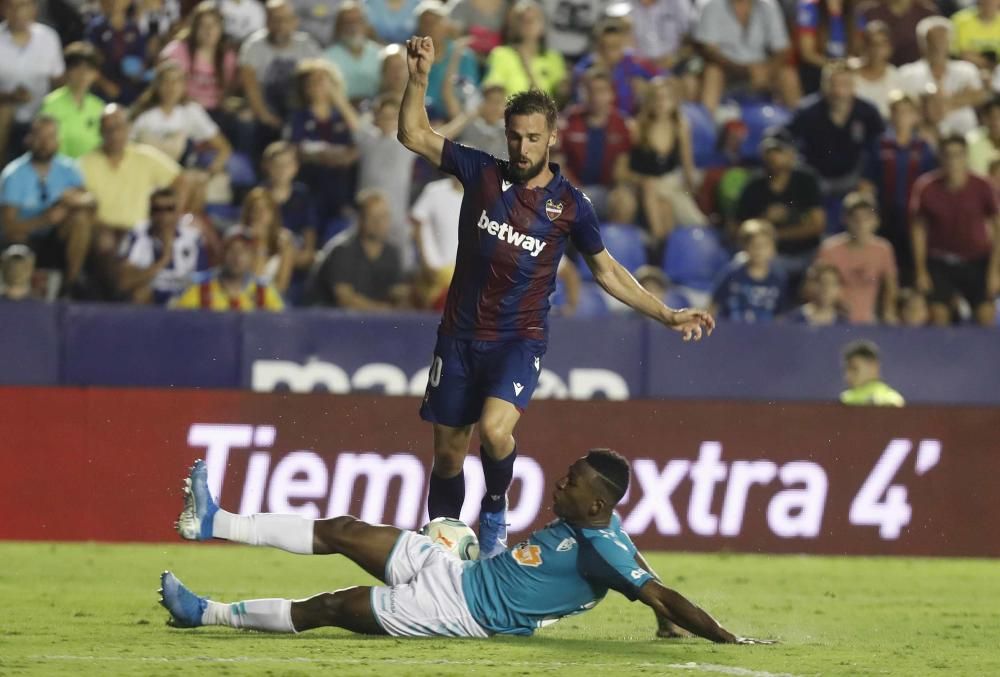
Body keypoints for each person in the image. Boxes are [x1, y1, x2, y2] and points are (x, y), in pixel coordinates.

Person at [397, 36, 715, 558]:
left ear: (551, 139)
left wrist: (666, 312)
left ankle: (495, 511)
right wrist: (417, 78)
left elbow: (607, 270)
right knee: (449, 453)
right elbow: (412, 132)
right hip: (458, 336)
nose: (522, 148)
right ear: (506, 135)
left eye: (533, 138)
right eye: (516, 137)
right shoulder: (480, 172)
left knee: (496, 433)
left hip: (517, 339)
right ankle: (441, 548)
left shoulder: (570, 206)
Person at [161, 453, 773, 644]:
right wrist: (665, 625)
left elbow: (656, 588)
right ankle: (216, 520)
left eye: (571, 483)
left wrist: (729, 640)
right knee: (344, 528)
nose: (558, 483)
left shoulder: (603, 550)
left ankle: (206, 613)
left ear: (596, 504)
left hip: (459, 614)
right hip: (454, 570)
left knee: (328, 608)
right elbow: (650, 584)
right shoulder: (595, 530)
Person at [910, 133, 1000, 326]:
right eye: (948, 155)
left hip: (977, 260)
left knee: (985, 315)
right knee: (938, 316)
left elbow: (997, 227)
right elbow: (918, 230)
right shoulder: (926, 187)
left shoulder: (983, 186)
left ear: (966, 157)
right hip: (940, 261)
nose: (953, 160)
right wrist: (921, 270)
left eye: (958, 155)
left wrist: (994, 271)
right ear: (940, 157)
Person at [786, 61, 884, 232]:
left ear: (854, 86)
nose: (838, 91)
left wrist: (868, 178)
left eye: (844, 84)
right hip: (816, 178)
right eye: (833, 84)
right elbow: (787, 139)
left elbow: (877, 149)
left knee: (869, 199)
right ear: (823, 86)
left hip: (853, 177)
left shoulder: (867, 111)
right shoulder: (808, 111)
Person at [0, 115, 94, 289]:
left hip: (57, 237)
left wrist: (73, 200)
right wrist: (45, 219)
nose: (44, 143)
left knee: (81, 220)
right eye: (39, 137)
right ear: (29, 139)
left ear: (58, 141)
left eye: (50, 137)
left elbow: (91, 201)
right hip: (26, 238)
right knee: (16, 238)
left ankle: (70, 285)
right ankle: (14, 292)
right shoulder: (14, 174)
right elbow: (8, 225)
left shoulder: (69, 169)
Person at [615, 76, 706, 248]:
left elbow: (688, 167)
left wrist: (691, 190)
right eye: (656, 98)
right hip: (641, 183)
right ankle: (659, 244)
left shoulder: (680, 125)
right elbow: (620, 172)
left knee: (684, 216)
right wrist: (642, 181)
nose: (660, 103)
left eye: (665, 98)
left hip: (670, 183)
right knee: (651, 187)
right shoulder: (636, 128)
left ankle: (665, 248)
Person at [867, 91, 937, 285]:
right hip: (885, 215)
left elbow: (932, 183)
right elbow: (867, 181)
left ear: (915, 116)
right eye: (897, 111)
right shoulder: (879, 144)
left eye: (907, 111)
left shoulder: (923, 148)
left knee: (913, 266)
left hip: (915, 218)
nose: (901, 116)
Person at [79, 104, 184, 234]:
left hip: (140, 232)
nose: (115, 135)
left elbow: (180, 179)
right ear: (101, 131)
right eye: (109, 129)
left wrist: (172, 212)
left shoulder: (144, 156)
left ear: (128, 129)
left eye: (119, 128)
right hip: (102, 233)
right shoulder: (86, 162)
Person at [734, 129, 825, 277]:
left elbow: (818, 225)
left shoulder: (806, 180)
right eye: (768, 151)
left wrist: (775, 233)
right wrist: (764, 220)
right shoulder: (754, 185)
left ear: (791, 154)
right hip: (768, 256)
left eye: (778, 151)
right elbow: (735, 229)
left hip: (807, 253)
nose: (773, 157)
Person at [306, 188, 409, 309]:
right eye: (373, 217)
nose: (380, 222)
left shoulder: (391, 252)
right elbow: (344, 299)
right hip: (330, 319)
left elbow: (397, 291)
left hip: (372, 321)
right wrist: (382, 310)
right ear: (360, 219)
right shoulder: (342, 250)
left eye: (384, 216)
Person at [284, 59, 356, 230]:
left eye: (322, 81)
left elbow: (359, 141)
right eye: (311, 82)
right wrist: (325, 156)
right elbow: (295, 149)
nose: (316, 86)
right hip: (309, 186)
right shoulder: (298, 117)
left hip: (342, 189)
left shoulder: (343, 117)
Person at [694, 0, 800, 114]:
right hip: (727, 69)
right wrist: (742, 70)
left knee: (788, 75)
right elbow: (709, 51)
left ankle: (799, 123)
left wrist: (768, 69)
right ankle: (708, 124)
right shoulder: (712, 7)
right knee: (712, 72)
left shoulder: (768, 6)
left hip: (760, 68)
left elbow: (782, 50)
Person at [130, 61, 232, 178]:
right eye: (166, 81)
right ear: (157, 85)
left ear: (184, 86)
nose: (171, 87)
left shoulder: (191, 112)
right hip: (144, 174)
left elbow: (224, 147)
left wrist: (209, 173)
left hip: (178, 177)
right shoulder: (142, 114)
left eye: (176, 81)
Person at [557, 68, 632, 219]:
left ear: (611, 94)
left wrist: (618, 187)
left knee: (624, 201)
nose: (596, 97)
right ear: (584, 94)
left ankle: (617, 241)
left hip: (607, 192)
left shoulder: (621, 124)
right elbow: (558, 163)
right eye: (591, 91)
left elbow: (623, 165)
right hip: (574, 189)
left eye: (602, 91)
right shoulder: (569, 121)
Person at [239, 0, 321, 134]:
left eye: (285, 20)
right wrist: (266, 117)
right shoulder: (253, 46)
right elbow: (251, 88)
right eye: (275, 20)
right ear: (266, 22)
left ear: (295, 21)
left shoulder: (308, 46)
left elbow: (319, 81)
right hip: (266, 108)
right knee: (245, 123)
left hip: (301, 109)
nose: (281, 25)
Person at [816, 191, 899, 324]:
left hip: (869, 321)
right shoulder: (829, 249)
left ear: (876, 221)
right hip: (834, 320)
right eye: (855, 218)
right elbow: (814, 286)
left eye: (866, 218)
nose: (861, 224)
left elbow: (891, 287)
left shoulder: (883, 249)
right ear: (845, 219)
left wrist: (889, 311)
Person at [117, 187, 209, 304]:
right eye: (157, 209)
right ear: (150, 212)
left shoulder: (193, 239)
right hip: (150, 299)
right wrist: (164, 259)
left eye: (169, 209)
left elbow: (202, 281)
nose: (163, 215)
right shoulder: (136, 236)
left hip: (183, 300)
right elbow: (124, 282)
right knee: (140, 294)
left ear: (178, 212)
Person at [897, 16, 986, 137]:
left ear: (950, 42)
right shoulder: (907, 73)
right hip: (922, 137)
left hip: (964, 134)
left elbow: (978, 96)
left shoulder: (966, 70)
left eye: (942, 40)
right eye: (932, 41)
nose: (938, 46)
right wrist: (959, 98)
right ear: (922, 44)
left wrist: (935, 102)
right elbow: (904, 106)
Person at [0, 0, 64, 162]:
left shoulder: (49, 38)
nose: (17, 12)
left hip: (41, 117)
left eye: (23, 6)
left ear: (33, 9)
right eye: (11, 6)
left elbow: (58, 82)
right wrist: (9, 97)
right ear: (2, 9)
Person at [171, 225, 284, 311]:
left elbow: (281, 328)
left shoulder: (263, 293)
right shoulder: (201, 290)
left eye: (244, 251)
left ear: (252, 257)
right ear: (222, 254)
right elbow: (180, 322)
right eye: (231, 250)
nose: (237, 256)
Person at [160, 1, 239, 115]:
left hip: (216, 111)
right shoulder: (178, 50)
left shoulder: (228, 57)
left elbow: (228, 90)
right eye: (203, 25)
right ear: (194, 29)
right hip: (184, 110)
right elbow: (165, 81)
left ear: (221, 28)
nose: (209, 30)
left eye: (213, 25)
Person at [571, 19, 659, 117]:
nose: (609, 53)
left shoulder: (635, 62)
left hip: (629, 123)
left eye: (614, 47)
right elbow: (578, 103)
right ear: (597, 47)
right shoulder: (584, 69)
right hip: (596, 123)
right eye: (604, 47)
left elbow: (666, 80)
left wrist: (649, 88)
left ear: (622, 45)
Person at [482, 0, 568, 99]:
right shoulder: (500, 54)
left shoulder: (554, 57)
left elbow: (559, 101)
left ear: (543, 25)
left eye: (534, 19)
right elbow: (493, 93)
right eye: (522, 19)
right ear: (513, 25)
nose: (528, 22)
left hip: (545, 112)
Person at [711, 219, 789, 322]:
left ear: (773, 248)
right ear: (745, 247)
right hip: (731, 332)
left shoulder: (778, 278)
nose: (759, 250)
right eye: (754, 245)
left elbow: (779, 316)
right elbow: (713, 306)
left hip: (764, 335)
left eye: (764, 245)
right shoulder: (731, 273)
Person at [261, 140, 320, 271]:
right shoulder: (259, 195)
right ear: (267, 166)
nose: (282, 170)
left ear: (295, 167)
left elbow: (309, 233)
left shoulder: (303, 195)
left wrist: (304, 255)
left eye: (287, 165)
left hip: (295, 254)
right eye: (277, 165)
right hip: (265, 255)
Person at [40, 42, 104, 159]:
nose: (83, 74)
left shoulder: (99, 106)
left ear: (95, 74)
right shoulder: (51, 104)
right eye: (77, 68)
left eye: (89, 69)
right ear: (67, 71)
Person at [85, 0, 149, 105]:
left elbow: (142, 60)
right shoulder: (96, 28)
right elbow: (89, 60)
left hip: (129, 91)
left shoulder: (134, 29)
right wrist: (104, 84)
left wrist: (138, 73)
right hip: (103, 91)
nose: (115, 2)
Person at [239, 186, 295, 295]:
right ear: (248, 214)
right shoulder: (239, 238)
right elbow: (251, 281)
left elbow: (282, 286)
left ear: (273, 213)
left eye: (265, 210)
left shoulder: (285, 240)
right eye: (255, 210)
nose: (260, 215)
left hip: (273, 299)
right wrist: (258, 243)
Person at [323, 2, 382, 102]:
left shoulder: (380, 54)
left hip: (379, 108)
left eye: (357, 21)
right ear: (339, 26)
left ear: (366, 24)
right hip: (341, 111)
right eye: (347, 22)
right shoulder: (327, 58)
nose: (353, 27)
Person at [852, 0, 939, 68]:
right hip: (878, 75)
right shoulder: (868, 12)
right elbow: (857, 49)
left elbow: (936, 49)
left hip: (916, 77)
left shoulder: (927, 13)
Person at [851, 20, 904, 118]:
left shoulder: (896, 76)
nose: (876, 50)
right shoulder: (849, 72)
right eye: (872, 44)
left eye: (882, 44)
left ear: (889, 48)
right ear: (864, 46)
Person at [840, 340, 905, 406]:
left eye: (854, 368)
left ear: (873, 366)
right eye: (847, 369)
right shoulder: (845, 399)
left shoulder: (891, 401)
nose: (847, 376)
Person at [951, 0, 1000, 70]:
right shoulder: (961, 20)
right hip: (969, 68)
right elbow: (962, 53)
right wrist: (987, 65)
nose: (989, 2)